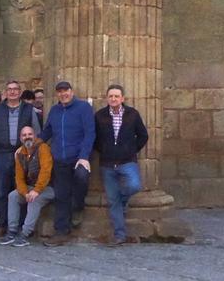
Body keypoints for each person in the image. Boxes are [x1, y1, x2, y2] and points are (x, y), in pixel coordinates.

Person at [40, 81, 95, 247]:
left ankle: (78, 206)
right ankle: (61, 232)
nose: (63, 94)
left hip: (78, 157)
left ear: (71, 91)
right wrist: (30, 144)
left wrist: (84, 156)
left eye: (66, 91)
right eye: (60, 92)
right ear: (57, 94)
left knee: (81, 178)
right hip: (60, 159)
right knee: (61, 195)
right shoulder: (55, 110)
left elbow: (90, 133)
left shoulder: (83, 108)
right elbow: (47, 132)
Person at [0, 80, 42, 237]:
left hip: (23, 154)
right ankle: (2, 224)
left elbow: (36, 132)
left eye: (15, 89)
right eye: (9, 89)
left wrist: (33, 154)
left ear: (19, 92)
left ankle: (23, 225)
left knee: (23, 189)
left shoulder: (28, 109)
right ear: (6, 92)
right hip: (2, 153)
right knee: (2, 190)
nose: (12, 92)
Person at [95, 84, 148, 246]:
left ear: (122, 98)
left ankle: (123, 200)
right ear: (107, 98)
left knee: (134, 185)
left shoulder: (132, 114)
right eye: (111, 96)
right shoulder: (100, 116)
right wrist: (104, 150)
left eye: (117, 96)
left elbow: (143, 135)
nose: (113, 99)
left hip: (127, 161)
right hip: (107, 164)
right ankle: (120, 235)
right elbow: (94, 138)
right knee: (113, 201)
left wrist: (131, 149)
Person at [0, 126, 54, 247]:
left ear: (35, 136)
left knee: (35, 200)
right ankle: (12, 231)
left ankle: (25, 234)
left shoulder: (43, 148)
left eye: (30, 134)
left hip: (47, 188)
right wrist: (25, 193)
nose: (27, 137)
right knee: (13, 196)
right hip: (30, 188)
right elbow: (19, 178)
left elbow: (46, 171)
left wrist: (36, 190)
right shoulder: (21, 153)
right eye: (24, 135)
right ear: (20, 138)